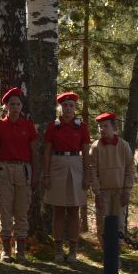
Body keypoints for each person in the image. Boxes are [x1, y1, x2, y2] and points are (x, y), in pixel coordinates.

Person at [0, 87, 38, 262]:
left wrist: (35, 175)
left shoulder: (28, 126)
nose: (15, 107)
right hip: (4, 169)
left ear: (21, 106)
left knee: (21, 211)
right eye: (11, 104)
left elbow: (34, 152)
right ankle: (6, 250)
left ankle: (20, 251)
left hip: (23, 170)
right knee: (5, 210)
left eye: (18, 104)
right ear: (6, 106)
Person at [42, 92, 89, 263]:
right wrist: (46, 174)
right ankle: (58, 249)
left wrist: (87, 175)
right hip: (57, 165)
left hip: (76, 165)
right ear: (60, 108)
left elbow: (86, 153)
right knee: (59, 210)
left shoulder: (81, 127)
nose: (68, 109)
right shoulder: (53, 127)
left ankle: (73, 250)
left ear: (75, 108)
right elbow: (47, 152)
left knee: (74, 209)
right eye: (65, 106)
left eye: (71, 106)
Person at [86, 112, 135, 233]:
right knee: (102, 224)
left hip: (120, 192)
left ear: (114, 127)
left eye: (105, 126)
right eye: (100, 127)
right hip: (103, 193)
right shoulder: (96, 147)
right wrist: (97, 193)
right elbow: (92, 171)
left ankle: (117, 246)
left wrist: (127, 191)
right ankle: (104, 246)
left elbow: (130, 168)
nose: (102, 129)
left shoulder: (123, 145)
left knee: (119, 224)